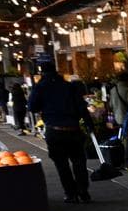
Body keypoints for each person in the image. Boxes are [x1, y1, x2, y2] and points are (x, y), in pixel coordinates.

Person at [27, 61, 93, 203]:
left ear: (42, 72)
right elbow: (82, 107)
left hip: (54, 131)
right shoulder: (69, 86)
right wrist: (89, 125)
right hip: (74, 130)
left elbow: (32, 107)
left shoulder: (40, 87)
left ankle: (70, 193)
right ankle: (83, 191)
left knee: (61, 164)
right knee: (79, 162)